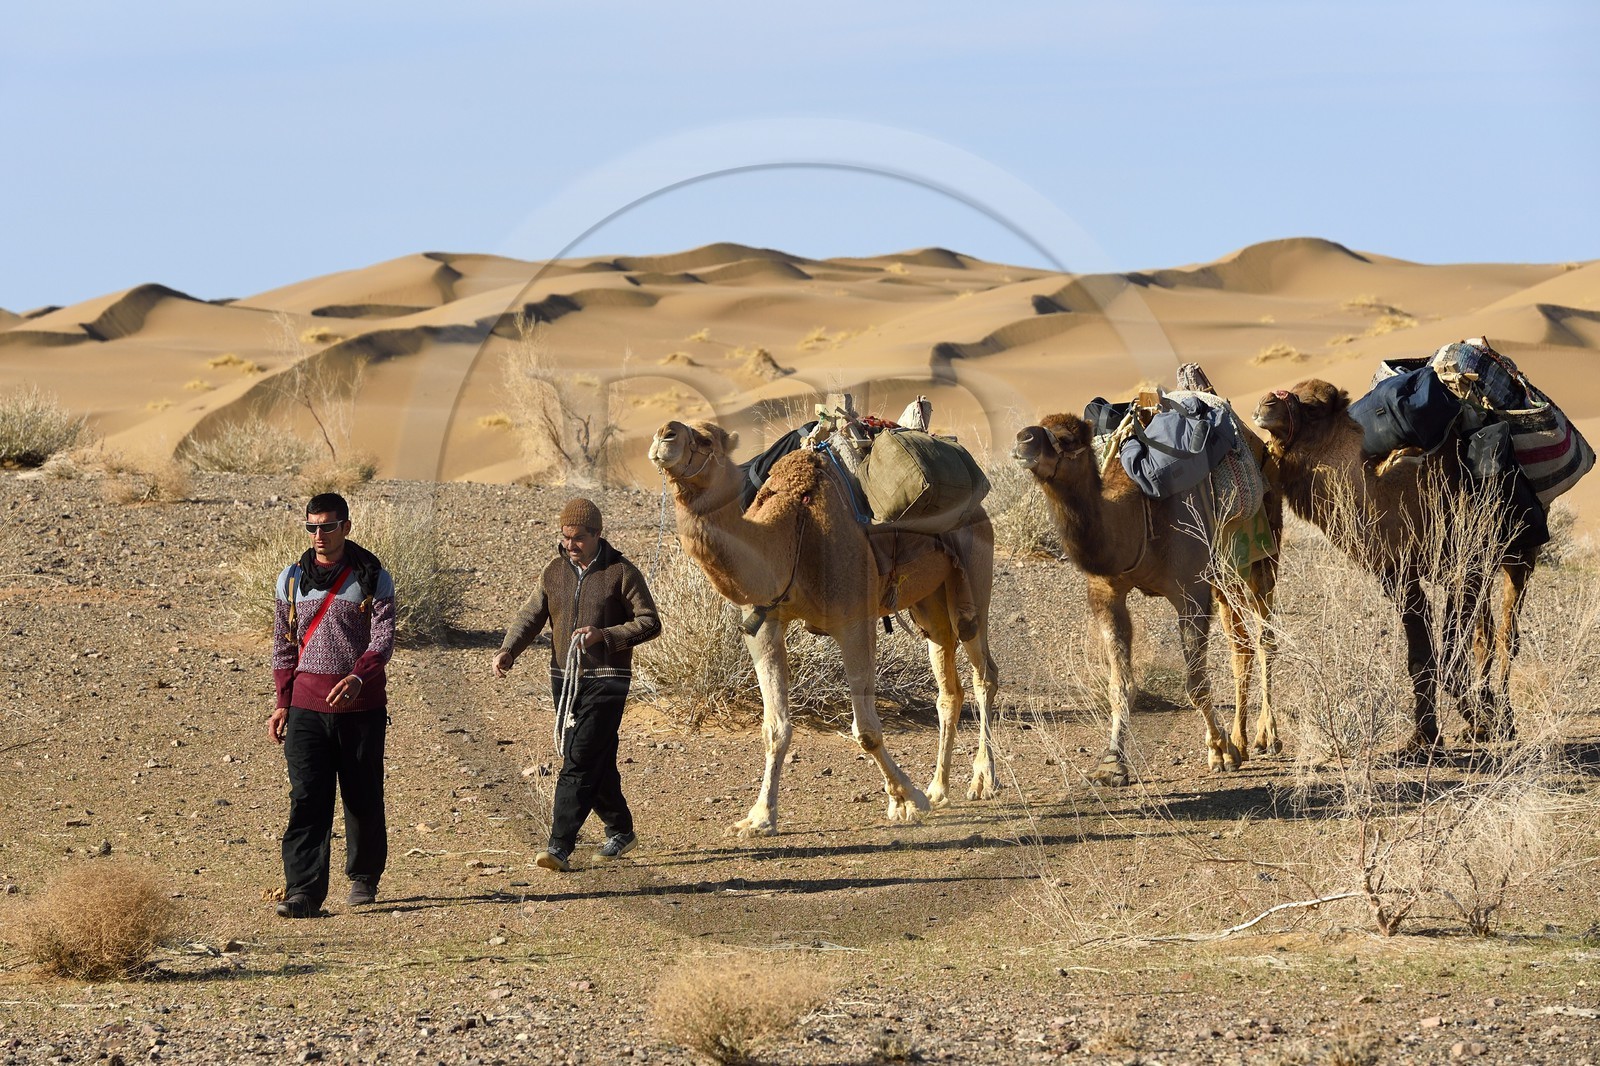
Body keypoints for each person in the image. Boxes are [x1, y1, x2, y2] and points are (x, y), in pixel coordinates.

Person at [492, 497, 660, 872]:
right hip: (563, 680)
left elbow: (650, 622)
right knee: (591, 756)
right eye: (566, 537)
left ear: (598, 534)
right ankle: (621, 829)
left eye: (578, 538)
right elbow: (531, 615)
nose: (570, 545)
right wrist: (509, 650)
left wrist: (605, 635)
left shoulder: (621, 572)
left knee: (579, 758)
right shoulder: (554, 571)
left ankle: (559, 847)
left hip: (608, 681)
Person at [268, 492, 396, 918]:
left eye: (327, 526)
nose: (319, 535)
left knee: (361, 795)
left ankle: (363, 877)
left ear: (346, 527)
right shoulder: (290, 580)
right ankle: (302, 891)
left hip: (360, 709)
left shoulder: (373, 576)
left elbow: (383, 639)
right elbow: (283, 646)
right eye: (312, 527)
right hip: (306, 707)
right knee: (307, 797)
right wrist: (282, 701)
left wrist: (360, 676)